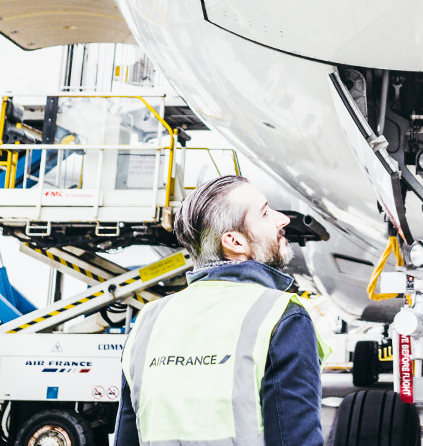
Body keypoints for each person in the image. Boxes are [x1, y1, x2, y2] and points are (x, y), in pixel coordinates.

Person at [114, 175, 327, 445]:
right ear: (235, 242)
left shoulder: (149, 320)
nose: (282, 219)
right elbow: (295, 439)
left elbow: (127, 436)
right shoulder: (279, 315)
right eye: (264, 213)